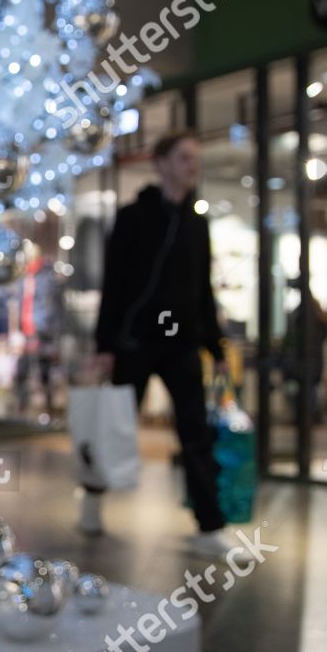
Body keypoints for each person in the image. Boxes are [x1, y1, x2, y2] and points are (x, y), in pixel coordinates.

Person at [93, 130, 236, 555]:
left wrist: (216, 345)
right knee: (117, 429)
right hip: (135, 341)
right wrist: (105, 344)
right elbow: (114, 284)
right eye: (184, 158)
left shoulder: (197, 222)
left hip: (181, 342)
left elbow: (201, 289)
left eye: (195, 159)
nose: (192, 166)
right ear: (161, 163)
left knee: (195, 433)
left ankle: (209, 525)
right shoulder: (134, 217)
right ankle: (93, 495)